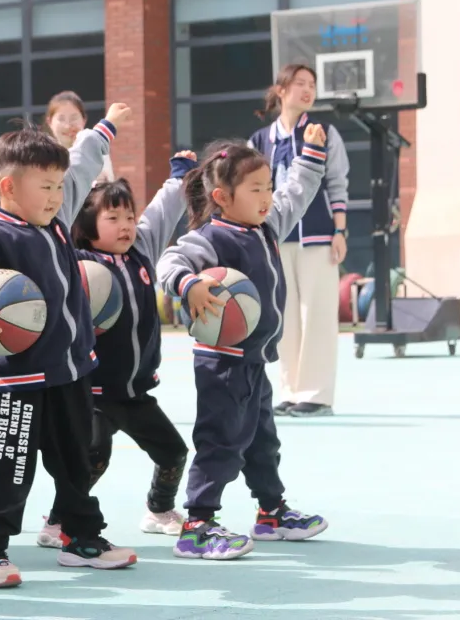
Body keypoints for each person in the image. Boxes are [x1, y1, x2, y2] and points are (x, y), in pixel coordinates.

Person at [0, 105, 134, 590]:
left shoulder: (57, 220)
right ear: (8, 188)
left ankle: (81, 537)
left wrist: (103, 129)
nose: (56, 195)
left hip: (69, 374)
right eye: (44, 187)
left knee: (76, 463)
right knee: (10, 465)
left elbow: (82, 166)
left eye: (57, 187)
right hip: (21, 381)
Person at [157, 134, 331, 561]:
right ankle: (197, 524)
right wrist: (189, 283)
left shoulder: (267, 227)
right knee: (222, 442)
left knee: (262, 442)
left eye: (268, 186)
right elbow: (169, 263)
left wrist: (309, 159)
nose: (267, 196)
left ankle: (271, 512)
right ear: (221, 196)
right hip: (222, 363)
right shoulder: (211, 237)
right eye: (256, 189)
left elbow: (297, 194)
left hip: (253, 362)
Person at [37, 151, 197, 549]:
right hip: (91, 393)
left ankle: (159, 510)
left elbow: (162, 213)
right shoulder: (76, 263)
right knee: (90, 461)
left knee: (175, 452)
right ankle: (58, 521)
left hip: (135, 392)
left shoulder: (141, 254)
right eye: (114, 218)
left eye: (129, 217)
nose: (127, 226)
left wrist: (178, 176)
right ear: (88, 226)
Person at [250, 64, 350, 417]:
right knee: (285, 317)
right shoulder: (260, 141)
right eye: (300, 84)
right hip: (277, 240)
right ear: (281, 90)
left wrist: (340, 230)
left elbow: (337, 182)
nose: (308, 90)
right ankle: (291, 391)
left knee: (318, 314)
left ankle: (317, 395)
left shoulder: (324, 133)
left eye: (312, 85)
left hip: (320, 237)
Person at [43, 91, 113, 183]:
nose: (68, 126)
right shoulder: (44, 157)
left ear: (84, 120)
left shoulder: (97, 152)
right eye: (61, 119)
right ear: (50, 122)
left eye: (73, 118)